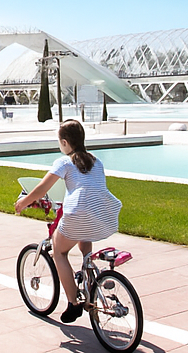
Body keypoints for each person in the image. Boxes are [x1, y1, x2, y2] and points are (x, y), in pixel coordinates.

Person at [15, 119, 122, 324]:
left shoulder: (64, 162)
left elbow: (42, 189)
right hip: (102, 214)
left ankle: (73, 303)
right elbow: (89, 189)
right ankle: (89, 277)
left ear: (64, 142)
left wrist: (23, 202)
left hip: (77, 214)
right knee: (84, 233)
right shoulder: (96, 161)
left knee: (59, 251)